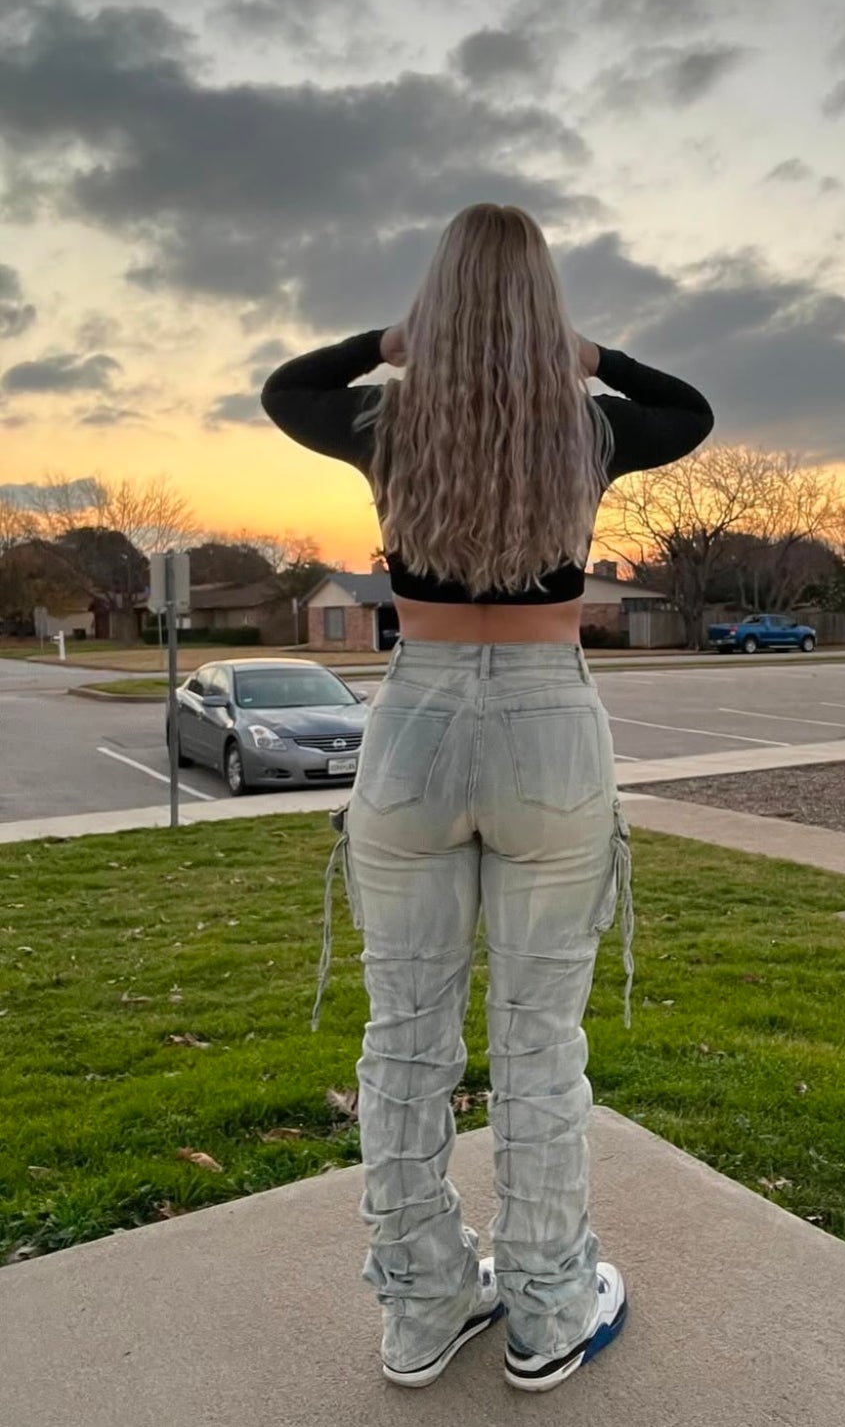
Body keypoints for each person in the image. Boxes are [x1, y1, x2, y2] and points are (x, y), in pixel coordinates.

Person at [260, 203, 713, 1393]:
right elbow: (689, 412)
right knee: (535, 1040)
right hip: (546, 727)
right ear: (545, 312)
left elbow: (284, 388)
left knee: (402, 1041)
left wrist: (392, 339)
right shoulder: (588, 429)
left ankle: (420, 1308)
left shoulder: (384, 415)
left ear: (436, 303)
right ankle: (548, 1305)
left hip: (411, 725)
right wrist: (592, 358)